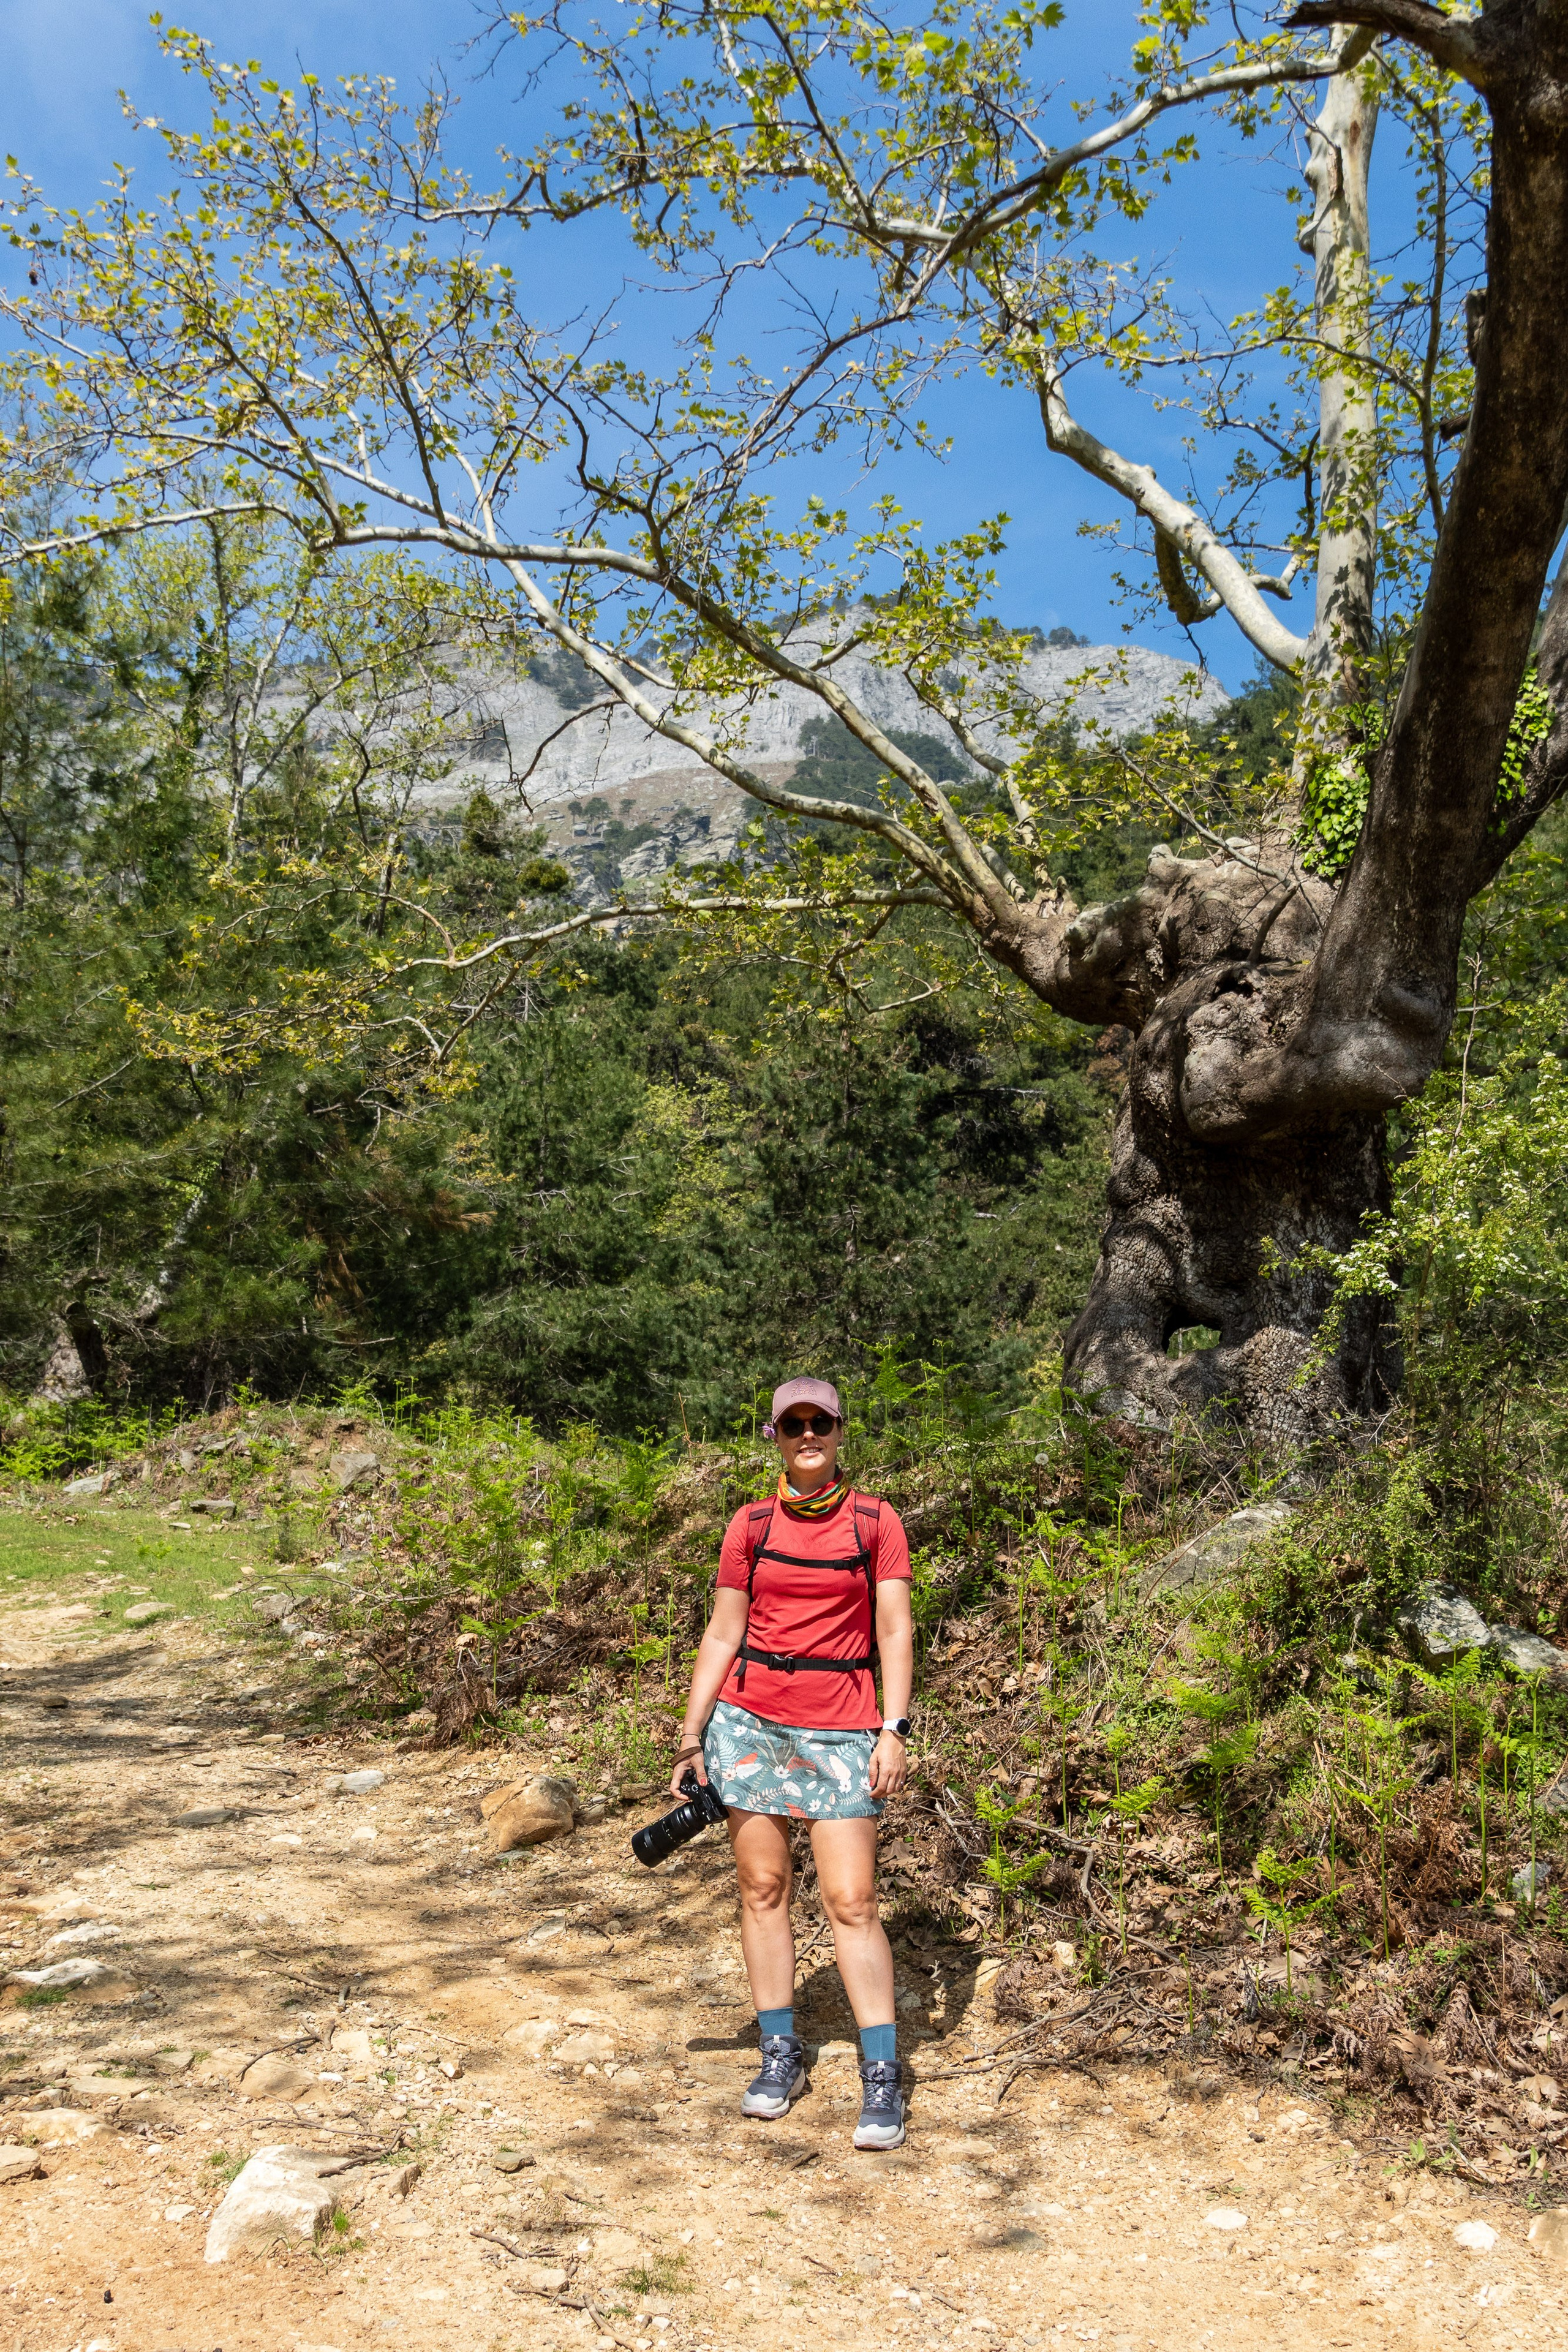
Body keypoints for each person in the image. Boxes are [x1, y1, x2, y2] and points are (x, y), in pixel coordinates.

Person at [671, 1376, 914, 2150]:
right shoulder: (748, 1525)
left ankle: (882, 2072)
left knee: (852, 1901)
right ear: (773, 1435)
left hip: (844, 1727)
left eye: (821, 1423)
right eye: (792, 1424)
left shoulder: (876, 1522)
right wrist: (691, 1731)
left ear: (841, 1432)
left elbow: (896, 1631)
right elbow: (722, 1632)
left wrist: (895, 1729)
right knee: (763, 1887)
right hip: (750, 1726)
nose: (807, 1435)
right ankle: (781, 2052)